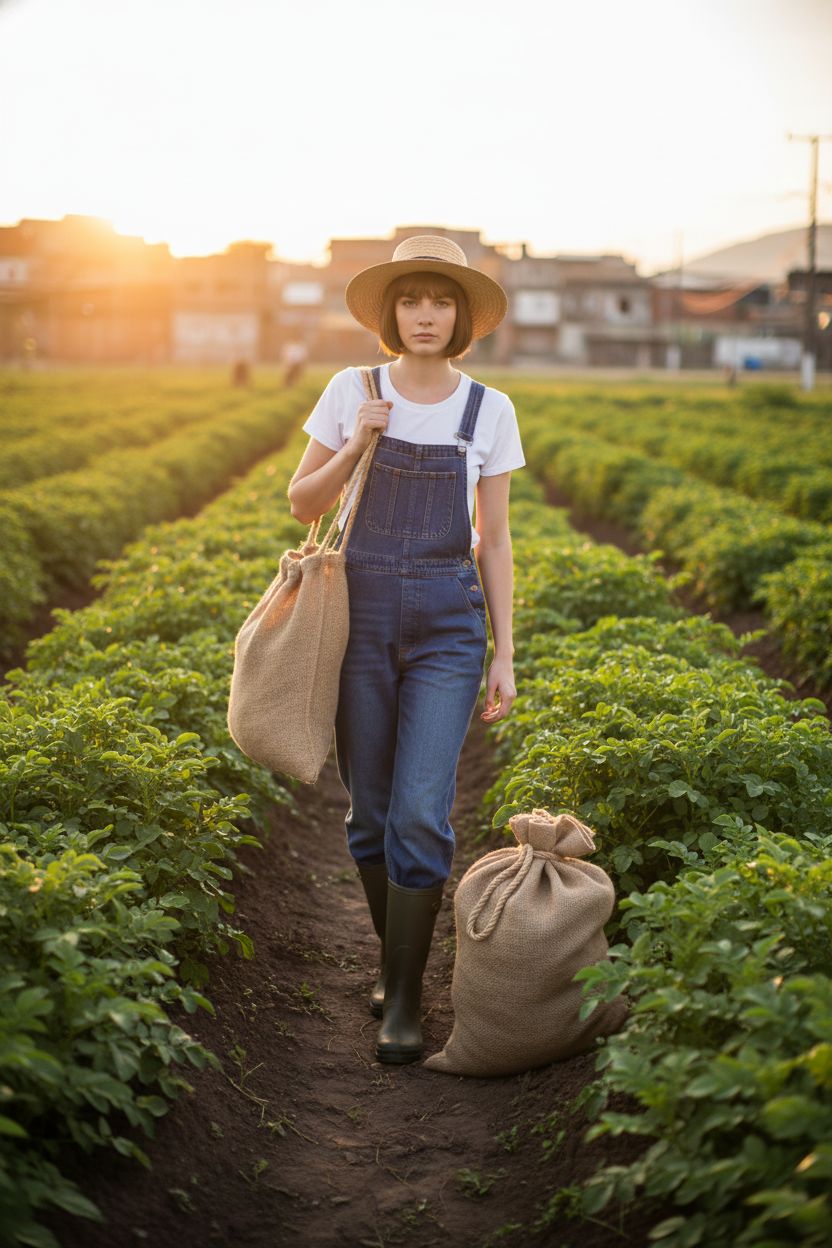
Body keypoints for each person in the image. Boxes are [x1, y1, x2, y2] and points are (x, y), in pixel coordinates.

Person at [287, 235, 525, 1064]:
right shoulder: (352, 389)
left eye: (443, 301)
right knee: (371, 818)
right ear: (391, 312)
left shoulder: (487, 409)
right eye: (413, 300)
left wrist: (504, 649)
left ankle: (405, 1000)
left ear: (462, 316)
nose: (427, 315)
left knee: (422, 814)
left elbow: (493, 539)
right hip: (359, 614)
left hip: (447, 625)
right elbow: (300, 503)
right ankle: (391, 971)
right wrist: (358, 442)